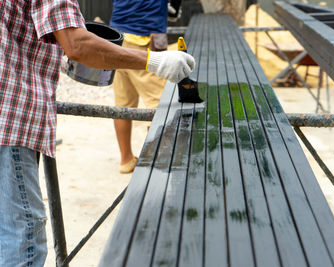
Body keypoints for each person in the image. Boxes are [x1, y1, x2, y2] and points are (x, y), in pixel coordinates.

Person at [0, 0, 194, 266]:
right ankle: (171, 184)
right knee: (24, 238)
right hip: (8, 118)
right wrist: (155, 61)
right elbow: (77, 45)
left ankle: (127, 158)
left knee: (8, 227)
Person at [110, 0, 176, 174]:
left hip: (117, 40)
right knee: (160, 104)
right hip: (146, 39)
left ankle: (126, 160)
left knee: (122, 105)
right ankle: (158, 165)